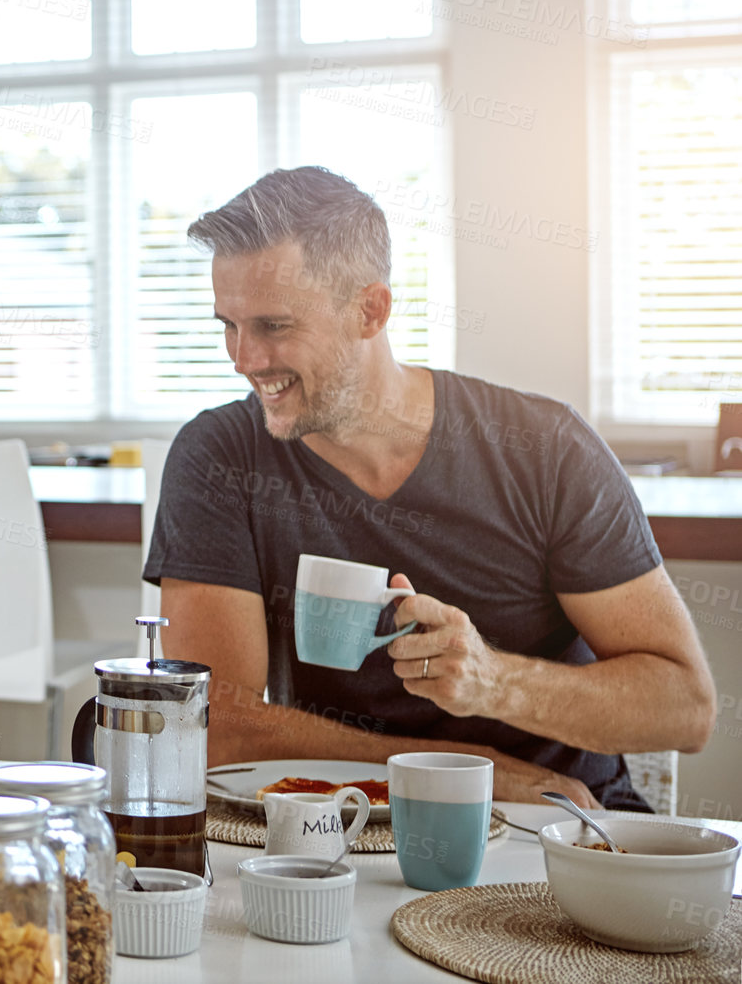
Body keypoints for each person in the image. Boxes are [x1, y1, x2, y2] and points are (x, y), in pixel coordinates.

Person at [143, 166, 716, 811]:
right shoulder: (218, 456)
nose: (243, 359)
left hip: (558, 820)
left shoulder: (545, 449)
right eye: (228, 325)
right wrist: (462, 772)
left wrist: (492, 682)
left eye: (274, 327)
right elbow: (218, 723)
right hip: (348, 822)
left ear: (370, 310)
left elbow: (685, 708)